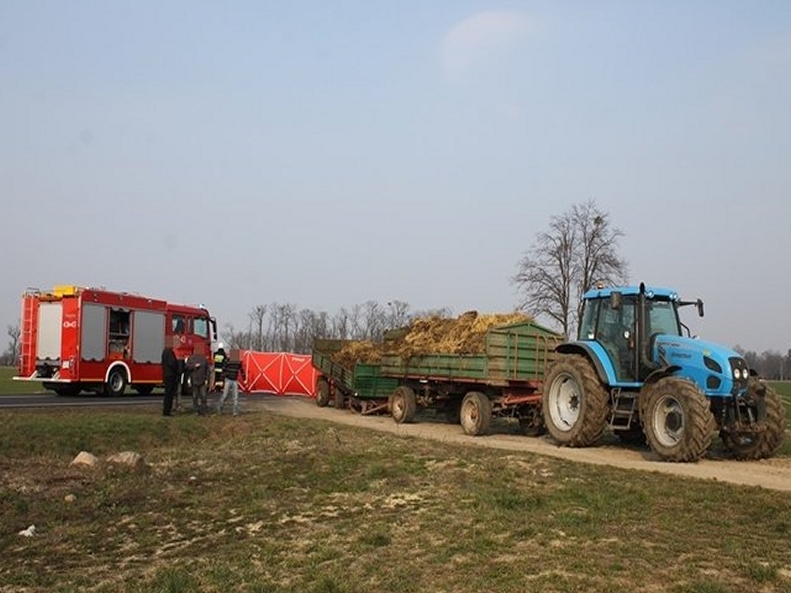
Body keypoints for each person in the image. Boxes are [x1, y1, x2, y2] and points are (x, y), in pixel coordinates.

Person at [217, 349, 246, 417]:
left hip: (234, 380)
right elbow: (223, 370)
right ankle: (219, 408)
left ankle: (235, 412)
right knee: (225, 395)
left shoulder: (238, 362)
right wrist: (221, 380)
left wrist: (244, 379)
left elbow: (242, 371)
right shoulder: (227, 361)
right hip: (228, 380)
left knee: (236, 397)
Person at [161, 336, 183, 417]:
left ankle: (166, 410)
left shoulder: (164, 352)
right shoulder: (169, 352)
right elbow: (172, 363)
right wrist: (177, 365)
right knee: (169, 394)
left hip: (166, 374)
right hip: (171, 375)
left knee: (168, 393)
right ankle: (167, 411)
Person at [185, 348, 210, 416]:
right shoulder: (191, 358)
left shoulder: (203, 359)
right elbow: (187, 366)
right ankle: (196, 410)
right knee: (195, 396)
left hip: (202, 380)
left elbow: (207, 370)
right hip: (194, 380)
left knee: (203, 396)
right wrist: (194, 366)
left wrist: (207, 379)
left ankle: (204, 411)